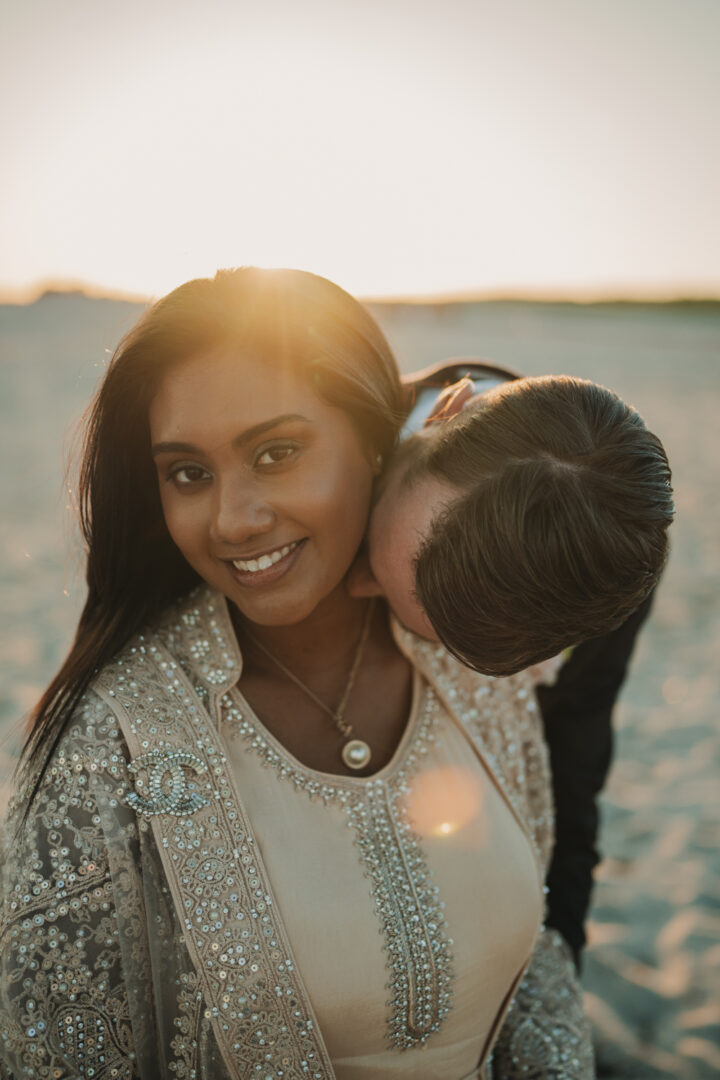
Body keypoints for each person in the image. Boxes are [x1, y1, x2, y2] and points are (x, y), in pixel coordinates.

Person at [0, 268, 593, 1080]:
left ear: (376, 439)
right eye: (188, 473)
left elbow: (537, 965)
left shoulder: (472, 660)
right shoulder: (109, 745)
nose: (233, 519)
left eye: (276, 453)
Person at [348, 359, 673, 965]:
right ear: (451, 409)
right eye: (380, 569)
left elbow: (572, 766)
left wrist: (561, 951)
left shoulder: (612, 564)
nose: (358, 586)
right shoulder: (335, 420)